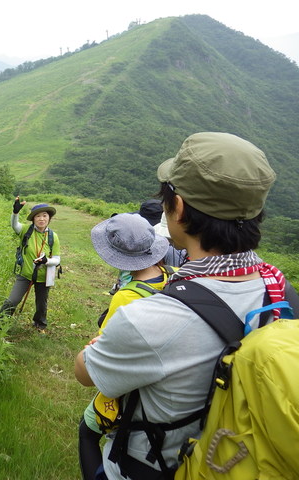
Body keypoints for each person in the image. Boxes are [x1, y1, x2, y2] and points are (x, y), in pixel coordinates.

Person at [74, 132, 285, 480]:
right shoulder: (280, 292)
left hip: (152, 467)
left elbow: (86, 372)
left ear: (179, 207)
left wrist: (96, 346)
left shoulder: (151, 319)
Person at [79, 213, 171, 480]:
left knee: (86, 432)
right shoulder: (170, 275)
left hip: (128, 382)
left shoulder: (126, 296)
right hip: (160, 373)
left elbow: (102, 346)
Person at [0, 197, 61, 331]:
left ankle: (39, 325)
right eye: (38, 216)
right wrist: (15, 213)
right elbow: (14, 226)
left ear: (49, 218)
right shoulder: (26, 230)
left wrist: (47, 261)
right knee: (12, 300)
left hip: (43, 276)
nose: (41, 219)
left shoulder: (53, 236)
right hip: (25, 274)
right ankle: (0, 323)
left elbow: (57, 259)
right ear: (33, 219)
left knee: (41, 305)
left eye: (45, 216)